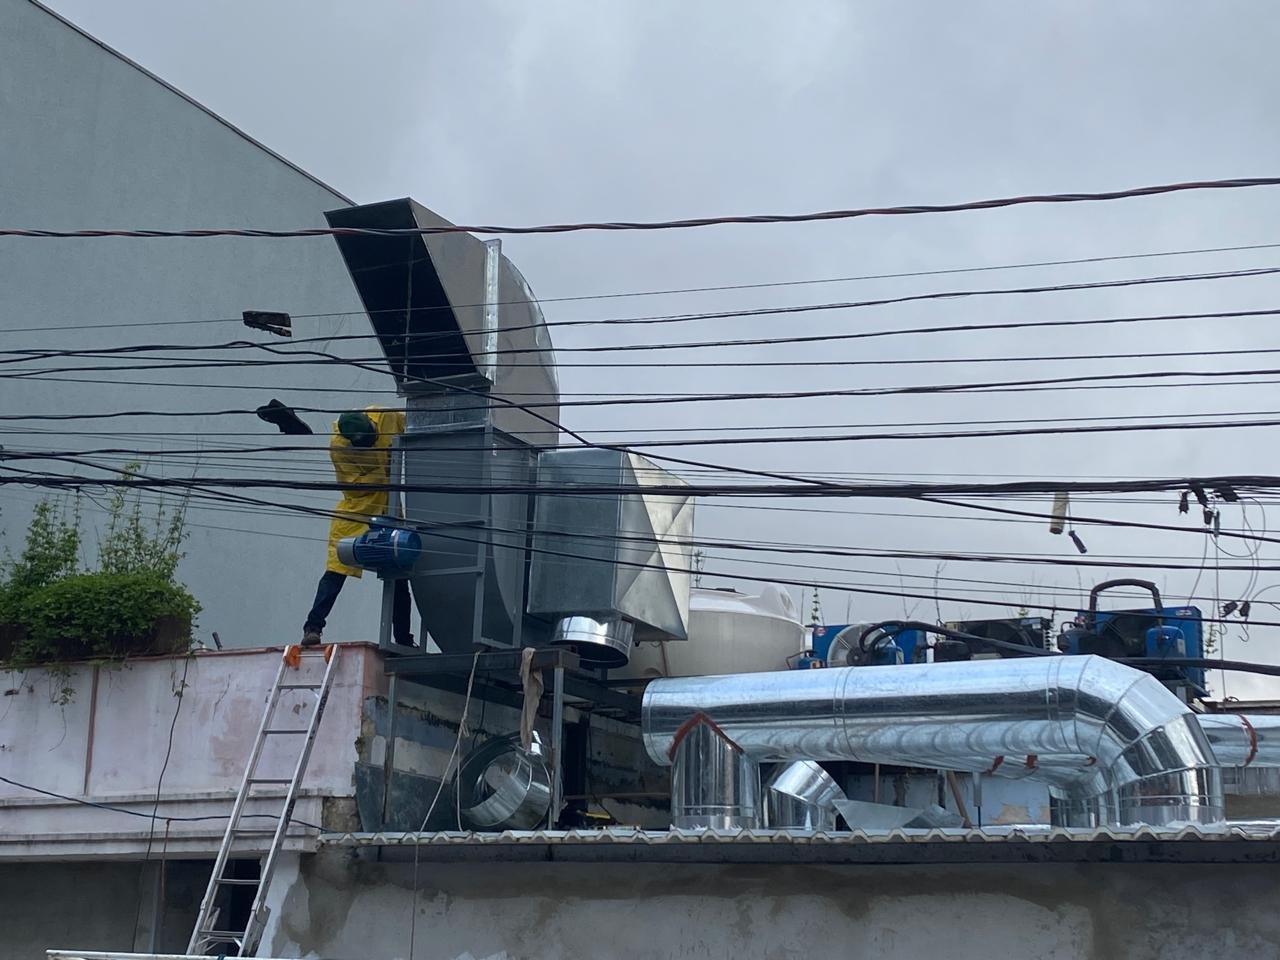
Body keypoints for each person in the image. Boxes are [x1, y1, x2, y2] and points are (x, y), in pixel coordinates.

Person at [302, 407, 415, 647]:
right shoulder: (339, 447)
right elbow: (354, 485)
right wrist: (387, 471)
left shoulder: (385, 416)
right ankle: (313, 627)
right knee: (337, 566)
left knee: (399, 572)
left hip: (389, 508)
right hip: (358, 509)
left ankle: (403, 639)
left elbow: (414, 426)